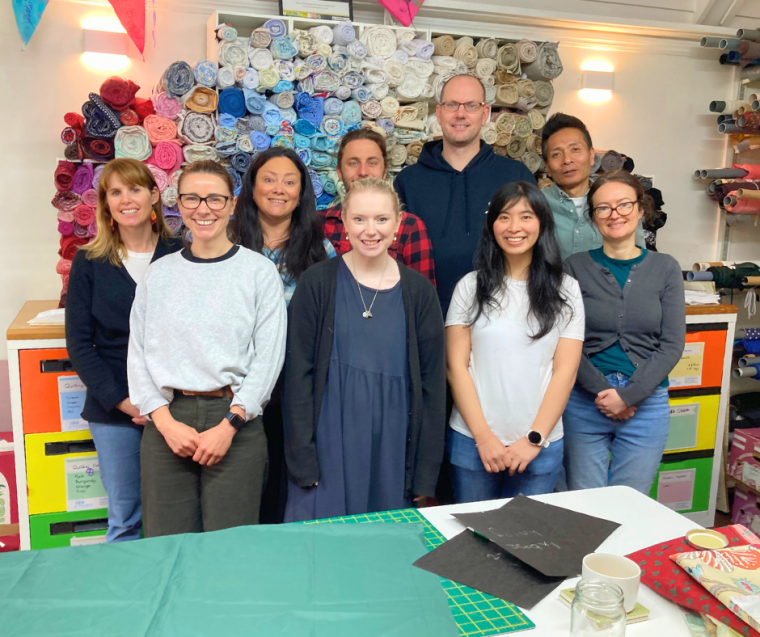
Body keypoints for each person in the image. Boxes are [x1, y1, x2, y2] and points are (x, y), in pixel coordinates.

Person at [128, 160, 286, 536]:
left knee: (230, 546)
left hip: (235, 422)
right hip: (168, 422)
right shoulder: (160, 273)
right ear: (177, 205)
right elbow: (138, 354)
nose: (203, 209)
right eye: (192, 198)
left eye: (215, 199)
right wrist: (165, 424)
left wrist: (229, 425)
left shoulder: (258, 272)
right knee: (166, 545)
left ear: (232, 204)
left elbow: (269, 358)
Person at [283, 177, 446, 522]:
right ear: (343, 221)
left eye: (381, 219)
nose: (370, 230)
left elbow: (433, 387)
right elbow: (298, 375)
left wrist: (424, 473)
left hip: (393, 446)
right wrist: (301, 457)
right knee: (319, 552)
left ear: (399, 224)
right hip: (327, 443)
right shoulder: (317, 283)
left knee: (382, 552)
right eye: (359, 219)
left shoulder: (419, 293)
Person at [445, 181, 584, 502]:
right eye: (504, 217)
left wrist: (534, 439)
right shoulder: (470, 286)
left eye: (526, 216)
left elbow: (565, 372)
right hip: (473, 442)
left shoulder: (567, 290)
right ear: (492, 224)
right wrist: (484, 438)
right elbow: (456, 366)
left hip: (540, 444)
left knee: (528, 545)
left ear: (542, 224)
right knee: (472, 541)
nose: (514, 227)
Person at [65, 158, 180, 542]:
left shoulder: (181, 256)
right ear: (105, 203)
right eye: (115, 192)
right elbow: (80, 345)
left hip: (177, 407)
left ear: (153, 196)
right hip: (116, 410)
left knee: (173, 518)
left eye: (134, 189)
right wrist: (126, 402)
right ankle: (129, 599)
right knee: (126, 518)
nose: (126, 199)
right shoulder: (89, 261)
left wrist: (161, 405)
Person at [563, 170, 685, 494]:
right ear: (594, 217)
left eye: (624, 205)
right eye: (603, 208)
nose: (614, 214)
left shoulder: (666, 268)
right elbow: (565, 341)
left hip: (646, 403)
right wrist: (605, 394)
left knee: (631, 504)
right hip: (584, 401)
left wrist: (629, 396)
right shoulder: (574, 267)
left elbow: (672, 343)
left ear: (641, 209)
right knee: (585, 507)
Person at [232, 147, 334, 523]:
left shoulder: (319, 250)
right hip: (236, 390)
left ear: (302, 192)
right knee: (242, 492)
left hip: (296, 391)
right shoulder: (227, 241)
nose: (279, 189)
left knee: (285, 489)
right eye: (269, 179)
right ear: (252, 187)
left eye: (290, 182)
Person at [394, 74, 535, 312]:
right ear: (438, 114)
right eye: (451, 105)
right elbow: (394, 256)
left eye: (471, 105)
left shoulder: (516, 176)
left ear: (485, 114)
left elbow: (536, 248)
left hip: (501, 314)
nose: (460, 114)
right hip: (425, 314)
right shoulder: (408, 181)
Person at [320, 128, 436, 285]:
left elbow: (422, 298)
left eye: (372, 162)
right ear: (339, 172)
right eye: (353, 163)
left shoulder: (409, 227)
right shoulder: (319, 223)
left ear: (385, 171)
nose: (363, 171)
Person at [541, 113, 645, 260]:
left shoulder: (618, 203)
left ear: (591, 156)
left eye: (575, 149)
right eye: (556, 154)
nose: (567, 160)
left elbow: (639, 258)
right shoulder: (535, 205)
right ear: (547, 166)